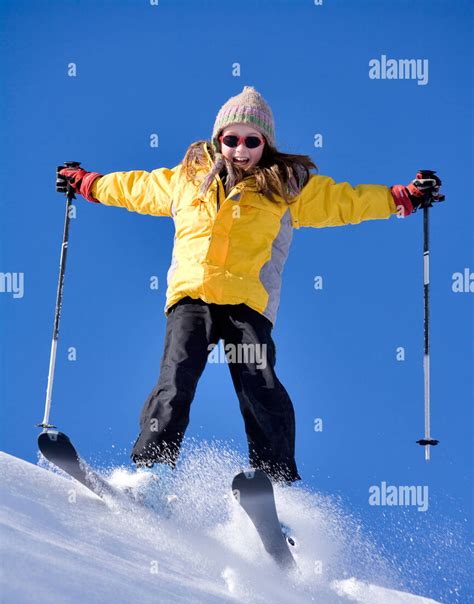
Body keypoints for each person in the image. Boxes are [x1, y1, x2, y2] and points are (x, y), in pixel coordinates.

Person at [56, 85, 443, 490]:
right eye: (231, 139)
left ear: (265, 144)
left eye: (251, 141)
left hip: (246, 303)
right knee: (176, 380)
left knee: (260, 386)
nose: (240, 150)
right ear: (217, 139)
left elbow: (344, 201)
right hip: (193, 297)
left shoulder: (285, 188)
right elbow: (133, 187)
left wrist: (402, 197)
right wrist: (87, 183)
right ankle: (152, 472)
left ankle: (275, 484)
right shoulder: (184, 180)